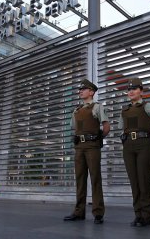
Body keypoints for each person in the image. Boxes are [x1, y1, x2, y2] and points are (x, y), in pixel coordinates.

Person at [64, 79, 110, 224]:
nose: (80, 91)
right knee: (80, 179)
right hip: (79, 147)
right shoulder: (76, 110)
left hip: (92, 146)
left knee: (95, 178)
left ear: (91, 92)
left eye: (83, 89)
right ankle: (79, 212)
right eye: (80, 89)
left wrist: (98, 138)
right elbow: (74, 127)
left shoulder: (97, 107)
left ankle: (98, 213)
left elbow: (106, 126)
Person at [119, 78, 150, 227]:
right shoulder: (124, 110)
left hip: (145, 145)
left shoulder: (149, 107)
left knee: (144, 180)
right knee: (134, 181)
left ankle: (146, 215)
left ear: (141, 91)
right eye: (129, 89)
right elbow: (122, 128)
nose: (131, 91)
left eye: (135, 88)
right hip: (129, 146)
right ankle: (138, 214)